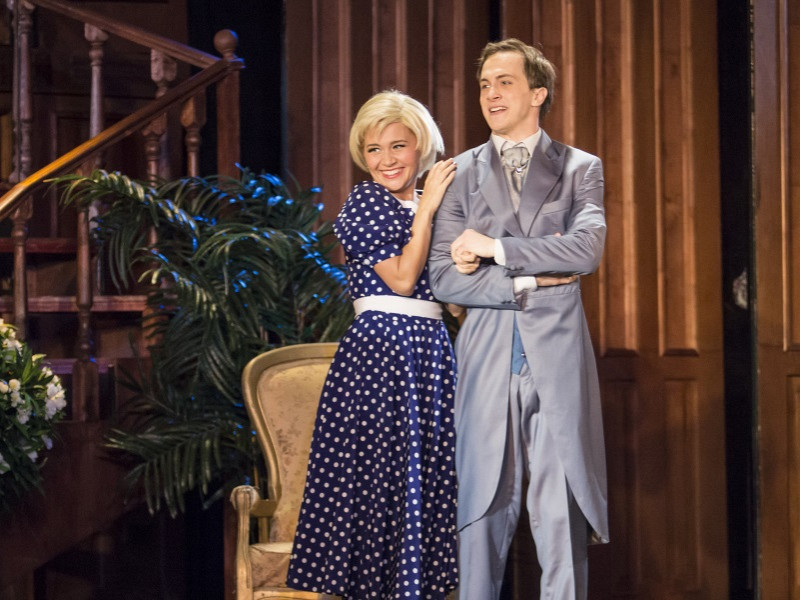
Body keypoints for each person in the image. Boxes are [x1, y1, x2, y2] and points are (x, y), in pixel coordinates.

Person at [428, 39, 609, 599]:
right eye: (484, 85)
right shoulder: (458, 172)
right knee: (481, 505)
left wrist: (495, 248)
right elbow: (444, 278)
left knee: (559, 512)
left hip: (556, 356)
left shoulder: (579, 168)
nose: (491, 94)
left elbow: (586, 250)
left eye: (504, 82)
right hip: (486, 355)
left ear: (538, 93)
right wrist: (529, 277)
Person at [286, 90, 459, 599]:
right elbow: (402, 280)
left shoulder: (434, 205)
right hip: (380, 354)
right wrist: (429, 211)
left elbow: (453, 299)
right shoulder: (365, 202)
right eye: (374, 149)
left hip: (431, 352)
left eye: (398, 146)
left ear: (420, 145)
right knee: (377, 483)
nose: (386, 160)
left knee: (425, 482)